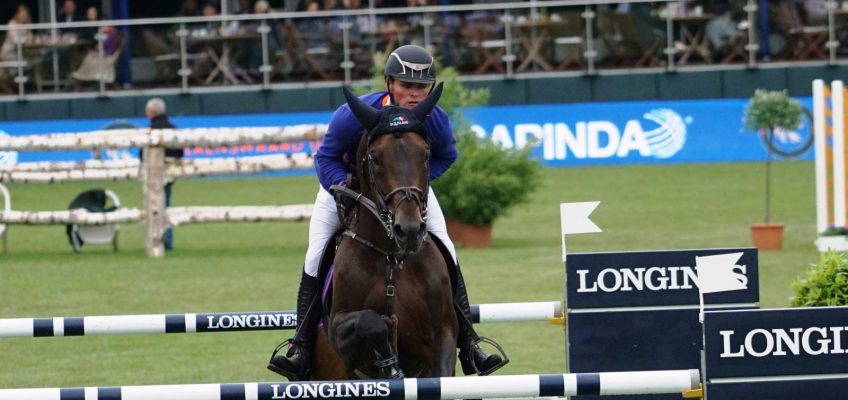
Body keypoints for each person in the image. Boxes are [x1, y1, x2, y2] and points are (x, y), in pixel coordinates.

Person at [268, 44, 507, 380]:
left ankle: (469, 344)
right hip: (345, 190)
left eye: (421, 86)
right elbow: (325, 159)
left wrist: (415, 188)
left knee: (447, 249)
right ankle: (300, 348)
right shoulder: (354, 114)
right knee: (315, 255)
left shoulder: (434, 118)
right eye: (406, 85)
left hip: (405, 194)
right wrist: (348, 187)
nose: (414, 93)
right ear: (389, 83)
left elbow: (445, 156)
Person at [140, 98, 184, 251]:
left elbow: (142, 154)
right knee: (166, 204)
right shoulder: (173, 128)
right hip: (169, 173)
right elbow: (180, 152)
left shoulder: (150, 130)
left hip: (152, 173)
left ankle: (154, 238)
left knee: (152, 205)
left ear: (151, 112)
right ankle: (167, 239)